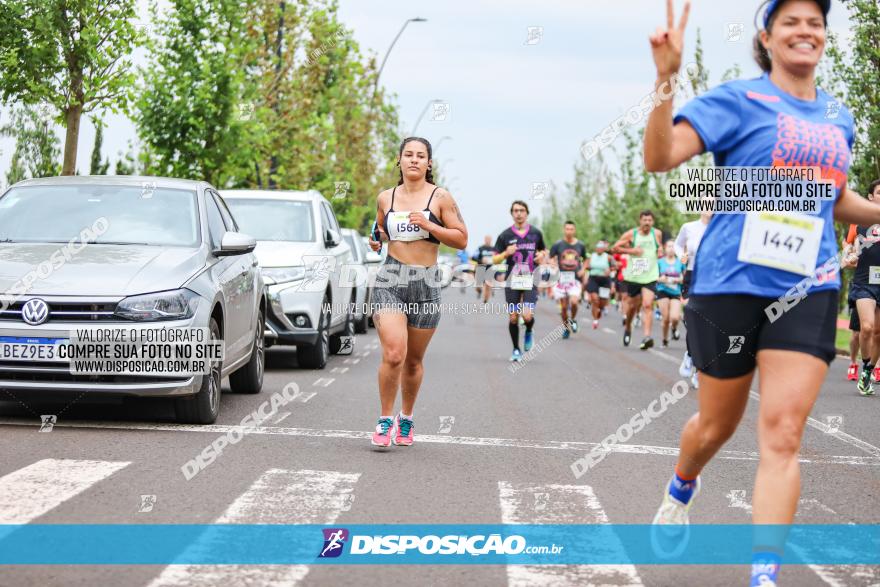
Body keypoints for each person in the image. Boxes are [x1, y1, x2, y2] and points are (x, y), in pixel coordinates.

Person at [643, 2, 879, 584]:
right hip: (729, 285)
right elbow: (658, 158)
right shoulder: (735, 101)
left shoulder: (839, 117)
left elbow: (834, 197)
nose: (806, 31)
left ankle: (764, 576)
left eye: (816, 23)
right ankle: (682, 484)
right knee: (715, 428)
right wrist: (665, 78)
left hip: (811, 284)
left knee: (782, 433)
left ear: (824, 38)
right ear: (767, 38)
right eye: (791, 22)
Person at [368, 137, 468, 448]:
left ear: (429, 163)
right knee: (394, 354)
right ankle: (385, 420)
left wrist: (430, 225)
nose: (414, 160)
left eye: (420, 155)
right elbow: (381, 231)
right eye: (408, 155)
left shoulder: (441, 198)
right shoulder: (386, 197)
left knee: (412, 361)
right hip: (390, 280)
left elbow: (461, 239)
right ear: (399, 160)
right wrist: (377, 240)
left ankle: (406, 418)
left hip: (426, 284)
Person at [493, 200, 547, 362]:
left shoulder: (536, 233)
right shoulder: (505, 235)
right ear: (512, 214)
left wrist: (542, 255)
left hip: (531, 279)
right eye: (515, 211)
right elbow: (494, 259)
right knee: (513, 318)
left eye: (522, 210)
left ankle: (529, 330)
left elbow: (544, 250)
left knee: (527, 315)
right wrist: (505, 254)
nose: (519, 213)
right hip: (512, 280)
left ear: (527, 213)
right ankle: (516, 349)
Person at [842, 178, 880, 395]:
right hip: (864, 281)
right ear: (870, 197)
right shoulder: (859, 223)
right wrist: (849, 258)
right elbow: (850, 253)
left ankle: (869, 370)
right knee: (865, 328)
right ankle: (864, 366)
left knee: (878, 333)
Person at [612, 210, 663, 349]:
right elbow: (614, 248)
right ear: (640, 221)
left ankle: (647, 337)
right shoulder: (632, 234)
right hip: (635, 274)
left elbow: (659, 247)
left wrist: (660, 251)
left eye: (650, 220)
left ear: (653, 222)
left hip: (650, 275)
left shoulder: (656, 233)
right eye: (644, 220)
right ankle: (628, 327)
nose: (647, 223)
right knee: (632, 307)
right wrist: (631, 251)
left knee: (647, 304)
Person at [674, 210, 712, 386]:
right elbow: (677, 245)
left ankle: (699, 369)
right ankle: (690, 355)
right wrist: (680, 255)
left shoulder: (720, 227)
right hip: (691, 275)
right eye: (706, 203)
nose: (709, 207)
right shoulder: (688, 227)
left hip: (712, 278)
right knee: (691, 319)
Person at [549, 221, 588, 338]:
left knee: (574, 302)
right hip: (562, 279)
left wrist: (583, 269)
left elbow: (586, 259)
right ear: (564, 230)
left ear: (574, 230)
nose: (569, 231)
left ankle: (573, 319)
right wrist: (553, 265)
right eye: (567, 229)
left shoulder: (580, 245)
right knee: (564, 307)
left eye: (571, 229)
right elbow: (551, 257)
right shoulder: (558, 244)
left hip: (575, 279)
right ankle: (566, 327)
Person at [656, 240, 685, 347]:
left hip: (676, 291)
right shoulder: (660, 262)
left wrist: (680, 279)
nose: (671, 248)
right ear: (665, 248)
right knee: (666, 318)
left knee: (675, 317)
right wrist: (660, 279)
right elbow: (654, 277)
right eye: (669, 246)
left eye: (673, 246)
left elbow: (685, 277)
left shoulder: (680, 262)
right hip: (662, 290)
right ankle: (664, 339)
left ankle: (674, 328)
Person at [584, 240, 615, 329]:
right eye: (598, 248)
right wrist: (585, 269)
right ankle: (595, 320)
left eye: (601, 248)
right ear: (596, 249)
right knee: (595, 299)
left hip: (605, 280)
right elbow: (586, 265)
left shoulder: (608, 257)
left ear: (603, 249)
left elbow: (615, 266)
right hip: (594, 278)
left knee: (603, 302)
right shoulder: (592, 257)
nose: (599, 249)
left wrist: (610, 269)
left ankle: (600, 309)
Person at [472, 235, 496, 303]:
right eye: (487, 239)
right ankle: (479, 291)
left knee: (488, 285)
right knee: (478, 286)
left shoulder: (494, 249)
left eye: (489, 239)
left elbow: (498, 258)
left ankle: (485, 300)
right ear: (485, 240)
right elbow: (473, 257)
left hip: (490, 269)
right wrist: (481, 260)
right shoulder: (480, 248)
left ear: (491, 240)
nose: (488, 240)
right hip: (480, 268)